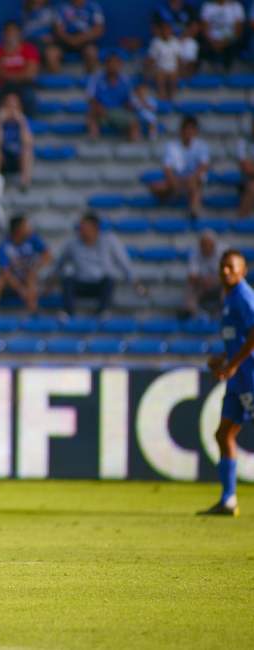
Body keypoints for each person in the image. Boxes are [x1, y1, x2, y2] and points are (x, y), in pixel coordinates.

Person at [201, 249, 254, 516]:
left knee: (225, 434)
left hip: (250, 376)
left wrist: (232, 365)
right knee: (223, 435)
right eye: (223, 266)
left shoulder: (244, 296)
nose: (225, 271)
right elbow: (240, 337)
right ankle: (228, 500)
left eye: (231, 267)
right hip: (238, 380)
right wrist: (224, 358)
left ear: (243, 271)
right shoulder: (230, 297)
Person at [51, 212, 145, 317]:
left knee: (109, 278)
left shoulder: (109, 241)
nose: (81, 231)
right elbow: (59, 265)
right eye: (80, 228)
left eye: (84, 228)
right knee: (67, 278)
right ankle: (68, 312)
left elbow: (124, 264)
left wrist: (136, 284)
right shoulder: (72, 244)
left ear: (95, 228)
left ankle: (103, 312)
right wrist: (49, 283)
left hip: (100, 285)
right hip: (81, 284)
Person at [0, 214, 49, 316]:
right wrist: (20, 289)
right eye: (26, 225)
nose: (29, 228)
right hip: (11, 280)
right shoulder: (4, 245)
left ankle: (34, 312)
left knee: (31, 276)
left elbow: (47, 255)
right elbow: (5, 272)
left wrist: (36, 266)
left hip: (27, 275)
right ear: (18, 229)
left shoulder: (33, 239)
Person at [150, 115, 210, 220]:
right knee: (156, 187)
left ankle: (194, 210)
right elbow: (167, 168)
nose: (189, 132)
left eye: (191, 129)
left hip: (193, 179)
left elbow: (204, 166)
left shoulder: (201, 146)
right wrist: (173, 181)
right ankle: (176, 192)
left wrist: (192, 178)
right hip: (178, 179)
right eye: (186, 129)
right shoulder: (172, 146)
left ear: (196, 131)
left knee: (194, 185)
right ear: (181, 130)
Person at [0, 20, 39, 116]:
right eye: (8, 32)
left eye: (14, 32)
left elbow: (30, 73)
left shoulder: (29, 49)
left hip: (23, 85)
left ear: (20, 33)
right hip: (1, 85)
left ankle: (30, 122)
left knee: (30, 98)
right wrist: (18, 74)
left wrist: (9, 75)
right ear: (3, 34)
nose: (11, 35)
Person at [85, 53, 140, 141]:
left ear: (120, 65)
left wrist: (130, 106)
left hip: (119, 111)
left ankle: (132, 144)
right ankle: (94, 140)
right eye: (111, 63)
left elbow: (130, 99)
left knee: (134, 121)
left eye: (116, 64)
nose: (113, 66)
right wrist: (98, 106)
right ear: (106, 65)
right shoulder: (96, 78)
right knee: (92, 113)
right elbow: (91, 97)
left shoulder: (125, 80)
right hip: (101, 111)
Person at [0, 92, 34, 190]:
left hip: (17, 158)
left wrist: (22, 123)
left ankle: (25, 183)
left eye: (14, 106)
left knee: (27, 150)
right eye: (8, 106)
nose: (12, 110)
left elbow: (28, 142)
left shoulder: (24, 121)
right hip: (3, 158)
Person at [53, 0, 104, 74]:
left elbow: (98, 30)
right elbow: (58, 29)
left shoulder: (93, 7)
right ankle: (57, 80)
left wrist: (80, 39)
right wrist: (70, 39)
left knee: (91, 53)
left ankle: (90, 79)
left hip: (85, 40)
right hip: (66, 40)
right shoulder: (61, 7)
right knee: (51, 54)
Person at [185, 229, 226, 317]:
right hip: (202, 284)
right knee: (190, 288)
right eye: (203, 245)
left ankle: (225, 314)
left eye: (208, 245)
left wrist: (215, 281)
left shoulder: (224, 252)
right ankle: (192, 316)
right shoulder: (195, 253)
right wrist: (203, 281)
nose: (206, 248)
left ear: (214, 244)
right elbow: (192, 276)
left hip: (220, 284)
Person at [199, 0, 245, 71]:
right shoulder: (208, 6)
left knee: (236, 44)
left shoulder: (236, 7)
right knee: (203, 44)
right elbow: (204, 29)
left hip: (229, 40)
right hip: (212, 41)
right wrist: (212, 42)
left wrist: (225, 42)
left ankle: (229, 71)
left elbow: (238, 30)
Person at [21, 0, 62, 72]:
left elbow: (59, 30)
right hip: (29, 43)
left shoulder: (51, 11)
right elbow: (18, 32)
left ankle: (56, 78)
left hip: (47, 43)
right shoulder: (23, 12)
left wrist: (53, 37)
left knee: (52, 53)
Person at [149, 20, 183, 101]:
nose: (166, 32)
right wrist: (151, 70)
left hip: (172, 69)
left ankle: (171, 99)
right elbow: (152, 59)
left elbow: (178, 58)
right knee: (160, 76)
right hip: (160, 68)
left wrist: (179, 70)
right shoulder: (156, 42)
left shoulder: (175, 41)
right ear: (161, 31)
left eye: (168, 30)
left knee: (173, 76)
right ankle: (162, 98)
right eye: (164, 30)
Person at [239, 119, 254, 217]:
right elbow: (246, 168)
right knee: (253, 187)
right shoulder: (244, 143)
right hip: (246, 180)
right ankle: (241, 220)